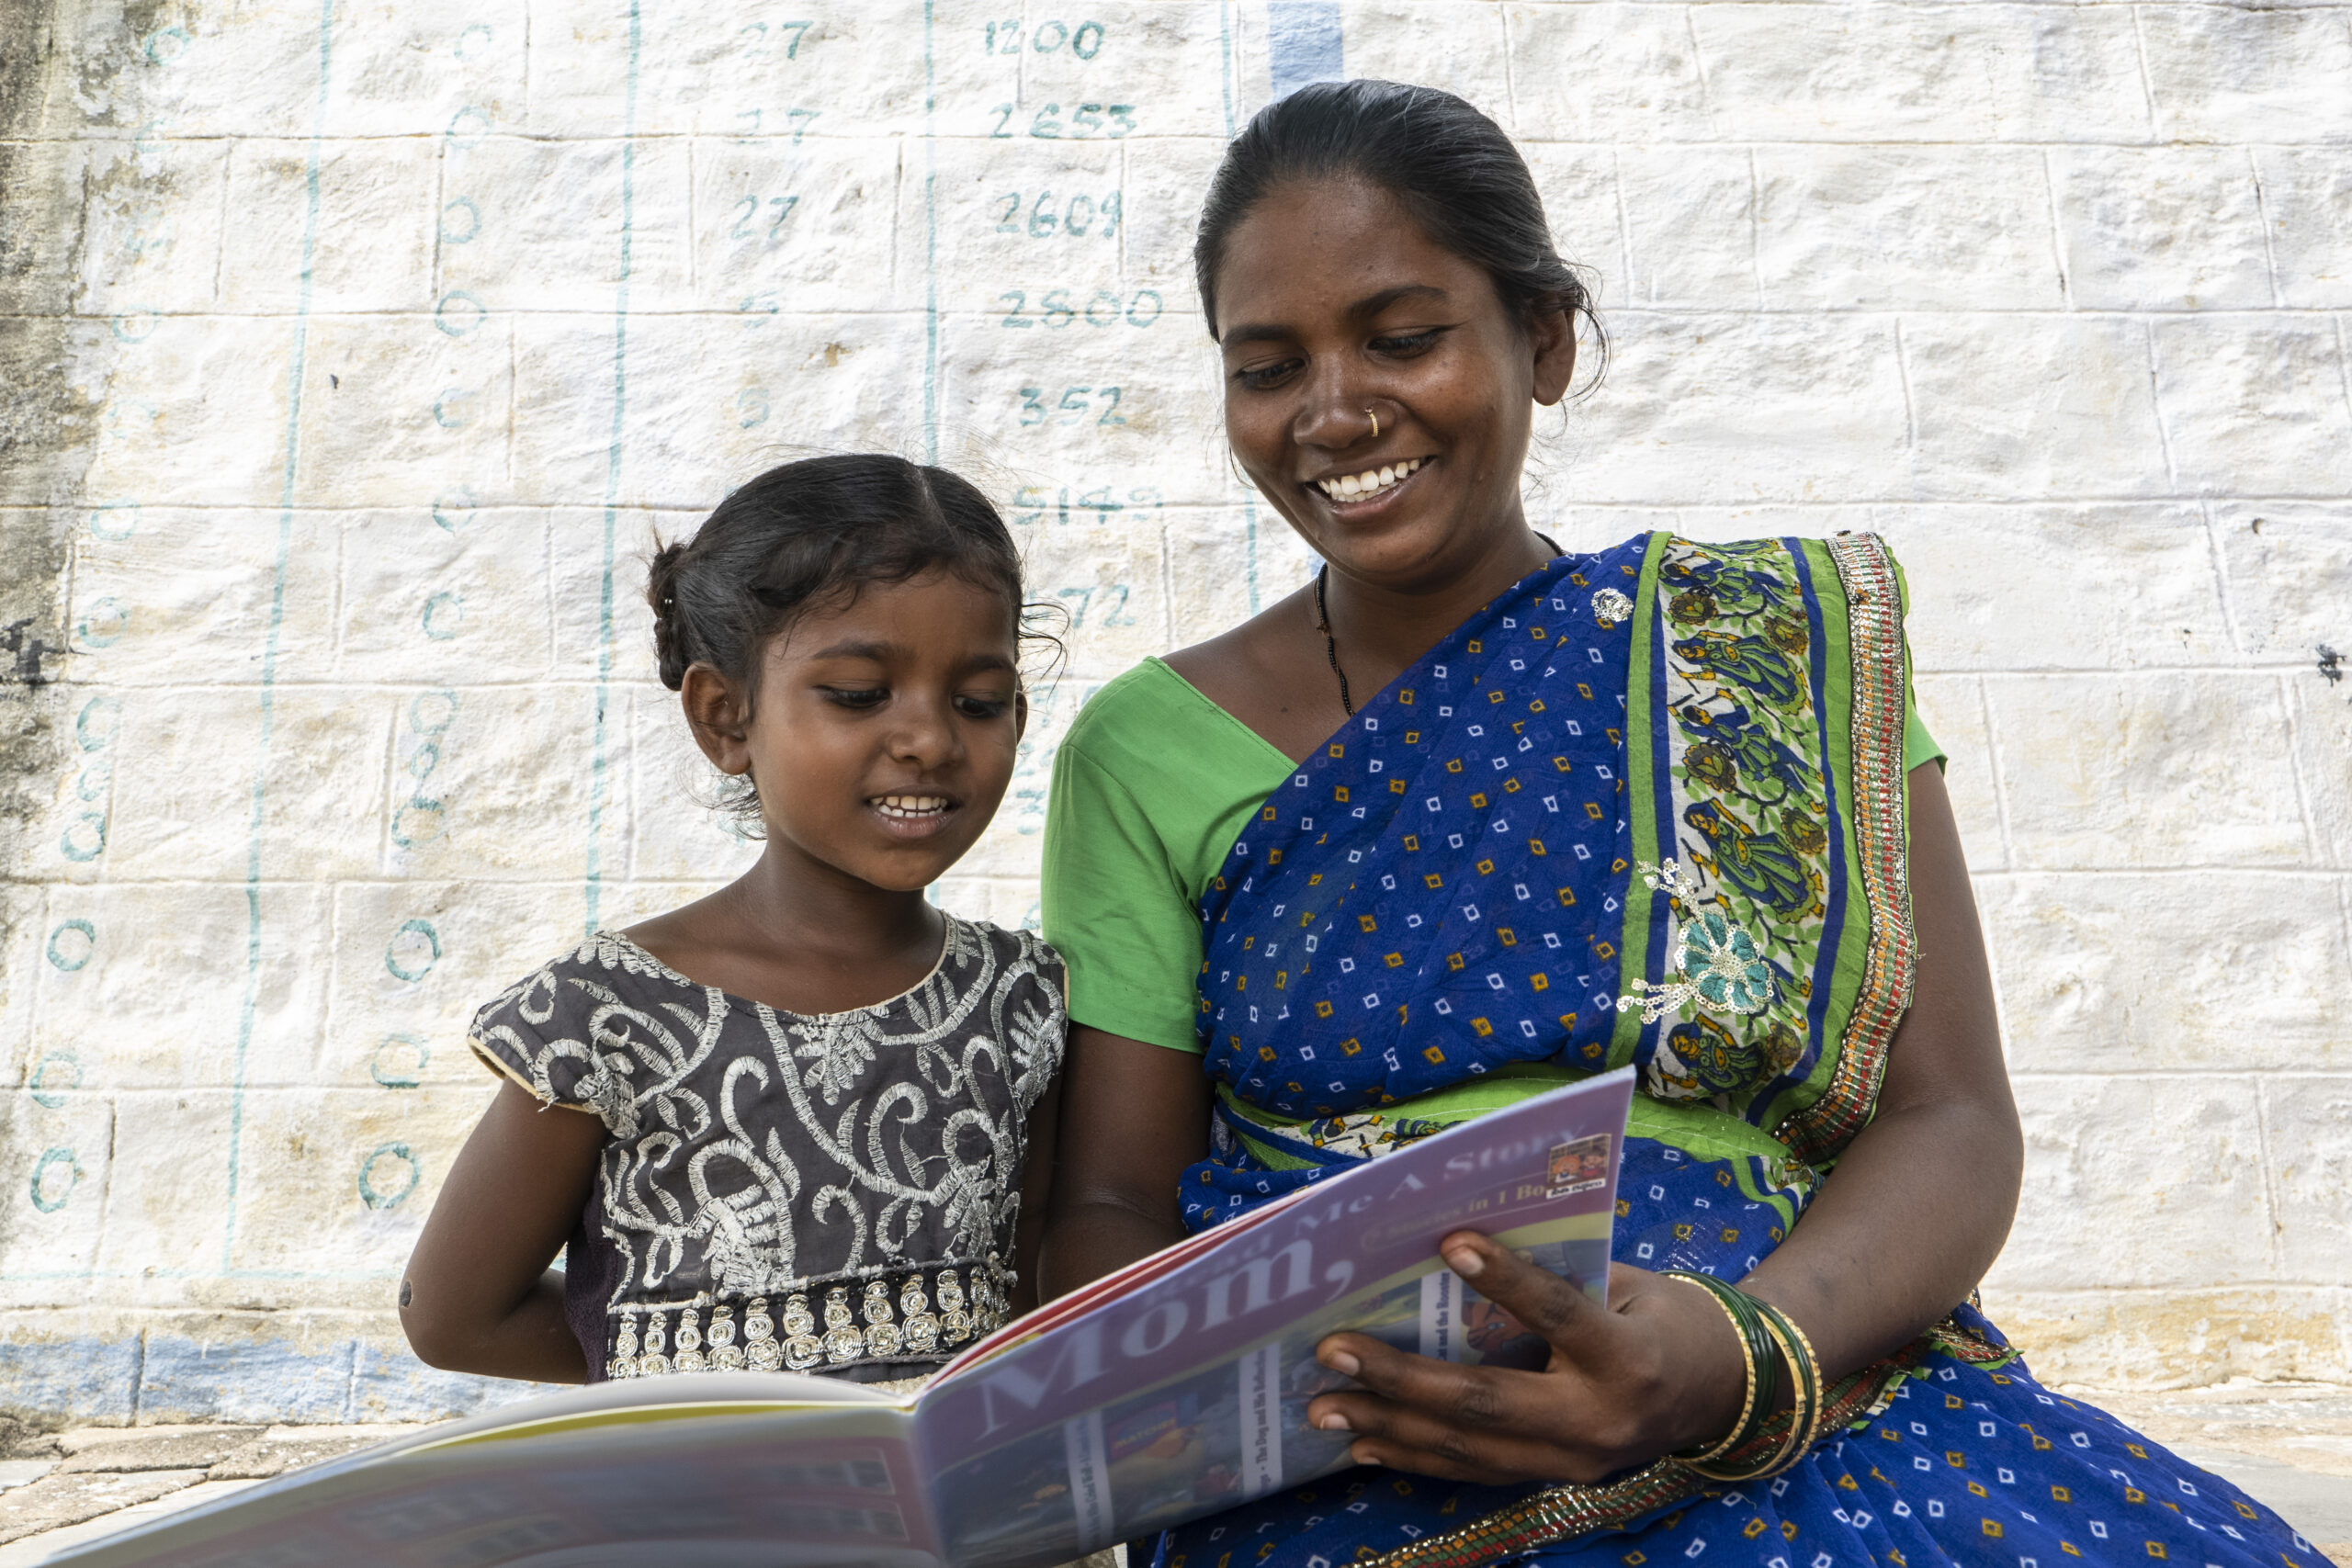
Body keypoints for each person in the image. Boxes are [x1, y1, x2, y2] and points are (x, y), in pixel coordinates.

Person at [1037, 81, 2324, 1568]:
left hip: (1807, 1387)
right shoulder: (1145, 751)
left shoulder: (1775, 659)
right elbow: (1117, 1195)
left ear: (1546, 340)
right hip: (1351, 1456)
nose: (1332, 410)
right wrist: (1169, 1439)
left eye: (1402, 337)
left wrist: (1742, 1350)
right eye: (1268, 365)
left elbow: (1951, 1115)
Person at [401, 454, 1067, 1395]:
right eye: (858, 695)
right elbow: (452, 1315)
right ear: (725, 718)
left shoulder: (1020, 1001)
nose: (929, 739)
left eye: (978, 702)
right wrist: (686, 1383)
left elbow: (1037, 1286)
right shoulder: (609, 1013)